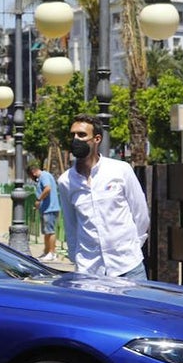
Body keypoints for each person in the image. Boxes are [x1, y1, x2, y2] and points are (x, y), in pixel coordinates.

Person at [57, 113, 150, 280]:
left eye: (82, 135)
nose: (76, 139)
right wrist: (75, 256)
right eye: (73, 135)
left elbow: (140, 214)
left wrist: (133, 246)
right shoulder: (65, 181)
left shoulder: (120, 170)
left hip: (128, 266)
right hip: (89, 270)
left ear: (97, 139)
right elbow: (70, 225)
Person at [28, 163, 61, 262]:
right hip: (46, 208)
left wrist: (39, 199)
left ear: (33, 172)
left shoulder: (44, 176)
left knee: (50, 231)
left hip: (50, 208)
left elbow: (48, 188)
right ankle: (47, 252)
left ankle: (52, 252)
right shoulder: (44, 176)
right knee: (46, 232)